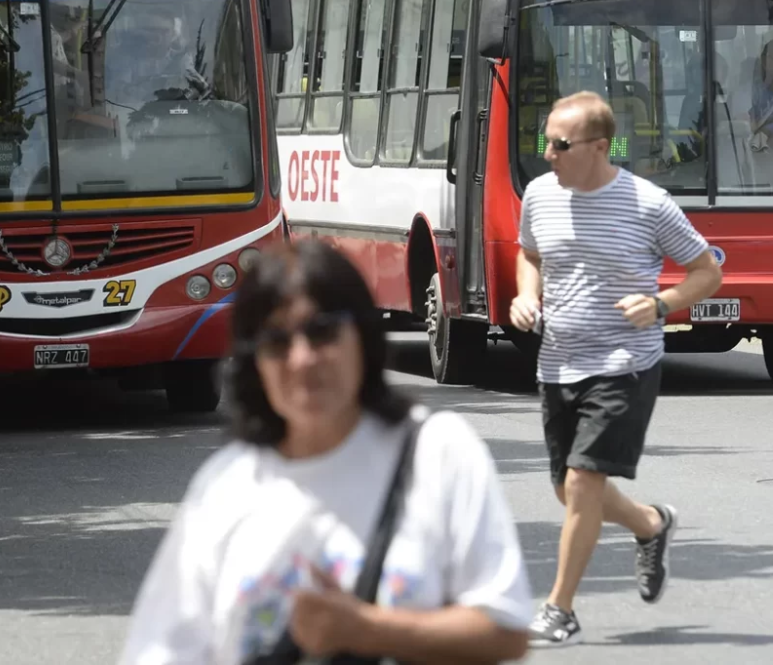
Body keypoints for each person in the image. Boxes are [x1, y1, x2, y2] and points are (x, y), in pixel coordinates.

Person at [119, 239, 532, 665]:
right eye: (277, 341)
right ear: (253, 362)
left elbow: (504, 629)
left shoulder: (438, 454)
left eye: (322, 331)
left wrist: (368, 630)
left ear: (364, 337)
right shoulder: (225, 486)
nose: (302, 358)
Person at [510, 91, 723, 647]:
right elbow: (528, 255)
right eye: (544, 141)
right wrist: (524, 295)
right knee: (568, 490)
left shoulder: (648, 204)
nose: (548, 153)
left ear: (599, 147)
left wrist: (660, 305)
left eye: (559, 144)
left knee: (583, 481)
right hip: (558, 361)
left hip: (624, 362)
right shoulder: (538, 195)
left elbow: (707, 272)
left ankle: (559, 609)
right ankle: (651, 525)